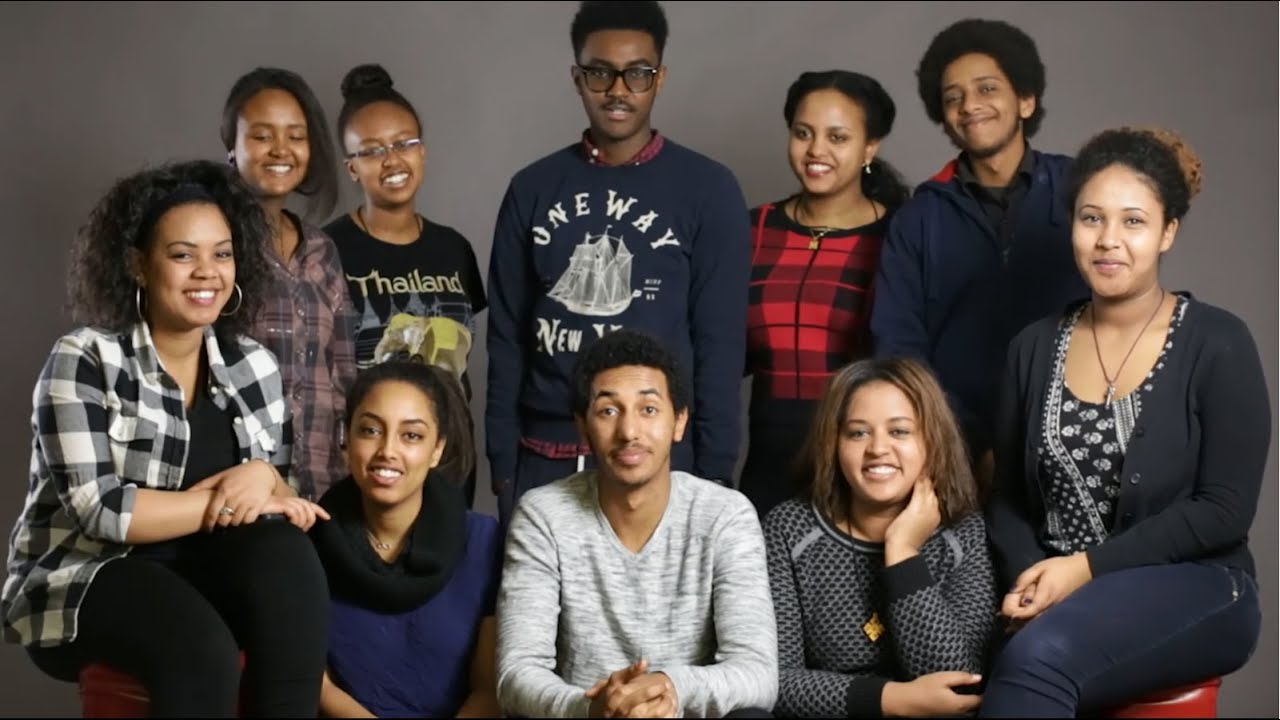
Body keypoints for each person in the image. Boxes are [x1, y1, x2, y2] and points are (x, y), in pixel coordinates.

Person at [1, 160, 332, 717]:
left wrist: (264, 477)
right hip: (89, 574)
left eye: (222, 254)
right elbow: (104, 511)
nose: (207, 272)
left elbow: (274, 496)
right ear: (139, 264)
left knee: (288, 558)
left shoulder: (254, 365)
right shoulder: (85, 358)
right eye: (183, 255)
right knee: (200, 650)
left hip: (203, 567)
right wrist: (229, 497)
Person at [981, 127, 1266, 716]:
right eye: (1092, 219)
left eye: (1133, 222)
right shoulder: (1031, 348)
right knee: (956, 661)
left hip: (1197, 585)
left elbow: (1224, 510)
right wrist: (1037, 578)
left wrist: (1084, 572)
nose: (1108, 240)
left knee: (1038, 659)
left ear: (1167, 232)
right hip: (1056, 589)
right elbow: (1005, 498)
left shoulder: (1218, 341)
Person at [485, 0, 752, 526]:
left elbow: (719, 346)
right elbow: (506, 336)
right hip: (546, 454)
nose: (618, 90)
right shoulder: (533, 188)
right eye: (600, 73)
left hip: (661, 456)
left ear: (660, 78)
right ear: (577, 78)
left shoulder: (708, 190)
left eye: (637, 74)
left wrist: (715, 474)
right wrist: (503, 466)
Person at [496, 329, 777, 718]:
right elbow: (516, 673)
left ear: (679, 421)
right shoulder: (543, 515)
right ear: (583, 427)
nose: (629, 432)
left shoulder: (725, 515)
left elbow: (757, 674)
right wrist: (590, 707)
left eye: (648, 409)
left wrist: (668, 687)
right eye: (608, 411)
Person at [870, 18, 1089, 478]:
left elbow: (1121, 310)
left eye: (987, 89)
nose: (969, 106)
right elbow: (899, 346)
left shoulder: (1082, 190)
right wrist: (960, 442)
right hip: (954, 453)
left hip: (1078, 440)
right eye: (953, 97)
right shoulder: (918, 218)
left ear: (1025, 100)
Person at [765, 357, 994, 718]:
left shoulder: (963, 531)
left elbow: (957, 684)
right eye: (858, 433)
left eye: (899, 431)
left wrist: (903, 552)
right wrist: (894, 699)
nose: (877, 449)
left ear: (932, 440)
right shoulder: (788, 529)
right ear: (834, 443)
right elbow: (774, 682)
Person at [742, 69, 912, 518]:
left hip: (863, 459)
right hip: (768, 461)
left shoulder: (900, 236)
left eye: (837, 137)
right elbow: (718, 354)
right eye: (803, 133)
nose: (816, 150)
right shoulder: (751, 229)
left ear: (870, 147)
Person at [324, 63, 488, 508]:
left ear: (423, 151)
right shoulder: (326, 251)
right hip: (369, 469)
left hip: (450, 465)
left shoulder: (454, 249)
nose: (392, 160)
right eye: (372, 151)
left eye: (404, 144)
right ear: (352, 168)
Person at [310, 360, 502, 718]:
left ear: (437, 449)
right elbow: (317, 684)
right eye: (370, 430)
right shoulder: (310, 543)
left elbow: (489, 689)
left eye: (411, 435)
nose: (388, 450)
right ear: (346, 440)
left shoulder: (483, 542)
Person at [222, 66, 359, 500]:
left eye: (296, 136)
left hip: (322, 484)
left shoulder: (321, 250)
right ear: (232, 148)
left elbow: (344, 373)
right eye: (262, 136)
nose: (281, 149)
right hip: (239, 484)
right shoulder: (215, 243)